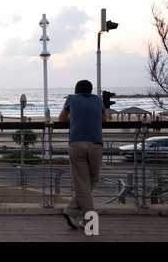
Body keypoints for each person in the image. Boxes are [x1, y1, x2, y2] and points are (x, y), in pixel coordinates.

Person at [58, 80, 107, 229]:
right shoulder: (98, 100)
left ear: (76, 90)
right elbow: (104, 119)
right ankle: (86, 220)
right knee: (92, 179)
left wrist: (73, 118)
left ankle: (77, 214)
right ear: (91, 91)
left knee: (81, 183)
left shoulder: (71, 99)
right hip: (96, 143)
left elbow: (61, 119)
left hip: (76, 143)